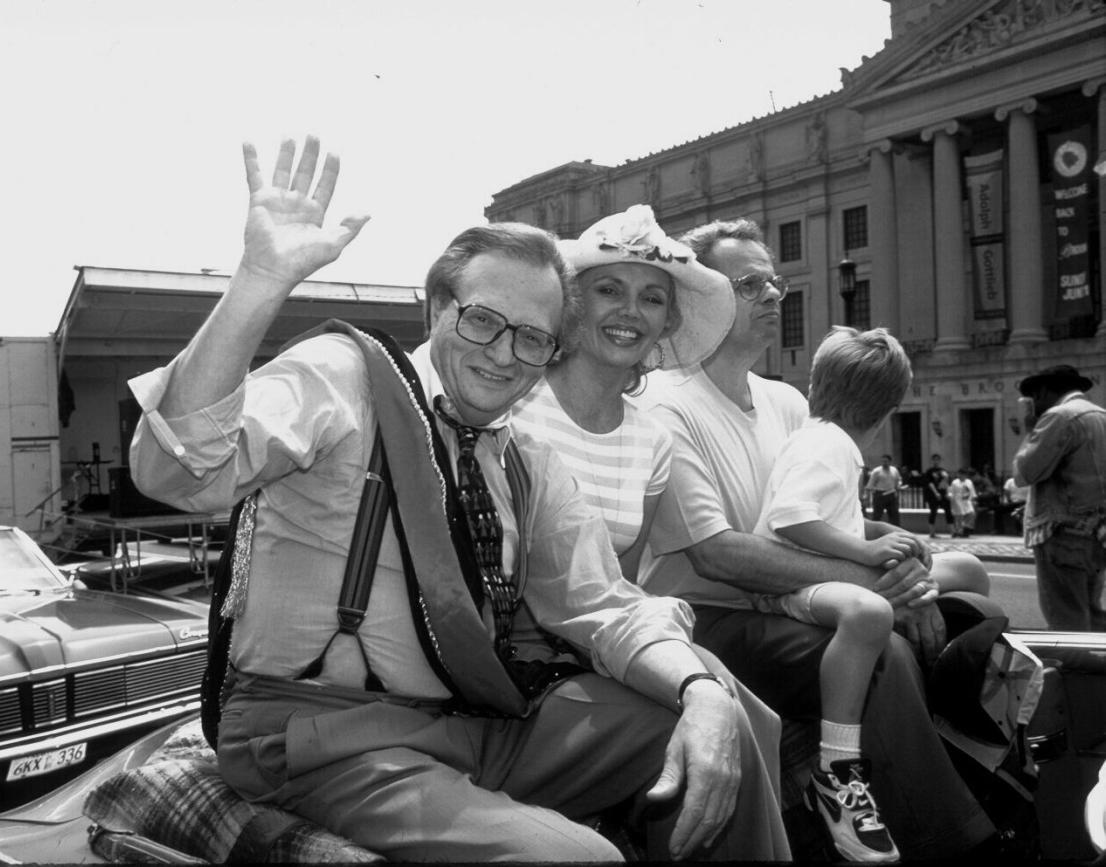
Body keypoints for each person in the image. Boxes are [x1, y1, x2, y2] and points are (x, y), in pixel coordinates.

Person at [128, 137, 788, 862]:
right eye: (482, 321)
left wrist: (700, 688)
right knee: (581, 860)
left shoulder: (524, 461)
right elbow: (179, 469)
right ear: (438, 307)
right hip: (327, 739)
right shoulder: (345, 379)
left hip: (471, 722)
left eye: (533, 338)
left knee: (729, 720)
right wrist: (257, 282)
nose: (504, 354)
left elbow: (602, 604)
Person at [637, 216, 997, 860]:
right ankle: (948, 841)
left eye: (773, 281)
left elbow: (835, 521)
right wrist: (878, 583)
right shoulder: (666, 406)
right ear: (698, 295)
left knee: (973, 609)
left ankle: (982, 781)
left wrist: (912, 557)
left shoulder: (787, 403)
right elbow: (717, 555)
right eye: (749, 284)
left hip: (797, 604)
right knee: (884, 647)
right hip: (711, 619)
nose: (774, 294)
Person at [511, 204, 735, 581]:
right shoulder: (514, 404)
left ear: (667, 322)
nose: (630, 311)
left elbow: (623, 586)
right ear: (572, 304)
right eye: (610, 291)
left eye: (651, 299)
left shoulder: (653, 442)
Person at [1013, 364, 1106, 631]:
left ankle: (1077, 670)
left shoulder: (1059, 417)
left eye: (1033, 398)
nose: (1033, 404)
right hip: (1097, 534)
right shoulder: (1100, 415)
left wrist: (1030, 429)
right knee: (1092, 613)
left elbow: (1025, 472)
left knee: (1067, 618)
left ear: (1043, 392)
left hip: (1063, 535)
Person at [863, 453, 903, 526]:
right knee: (877, 515)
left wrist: (899, 485)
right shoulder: (876, 471)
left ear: (890, 462)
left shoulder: (894, 470)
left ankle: (896, 531)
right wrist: (867, 497)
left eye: (886, 461)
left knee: (894, 515)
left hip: (891, 494)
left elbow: (898, 480)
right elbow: (870, 485)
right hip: (880, 495)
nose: (884, 463)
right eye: (883, 461)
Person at [922, 453, 953, 538]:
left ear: (940, 461)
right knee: (933, 512)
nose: (936, 461)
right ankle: (932, 532)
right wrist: (936, 493)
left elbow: (946, 483)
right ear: (932, 461)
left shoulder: (943, 471)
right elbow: (929, 483)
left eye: (937, 460)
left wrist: (947, 493)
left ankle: (952, 531)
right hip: (933, 494)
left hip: (943, 493)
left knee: (948, 511)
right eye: (934, 460)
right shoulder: (929, 471)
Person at [949, 468, 977, 538]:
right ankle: (958, 531)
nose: (962, 476)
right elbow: (952, 492)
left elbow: (972, 491)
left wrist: (973, 499)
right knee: (959, 517)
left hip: (967, 501)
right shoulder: (955, 482)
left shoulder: (969, 482)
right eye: (960, 474)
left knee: (971, 514)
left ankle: (966, 529)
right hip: (957, 501)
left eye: (963, 474)